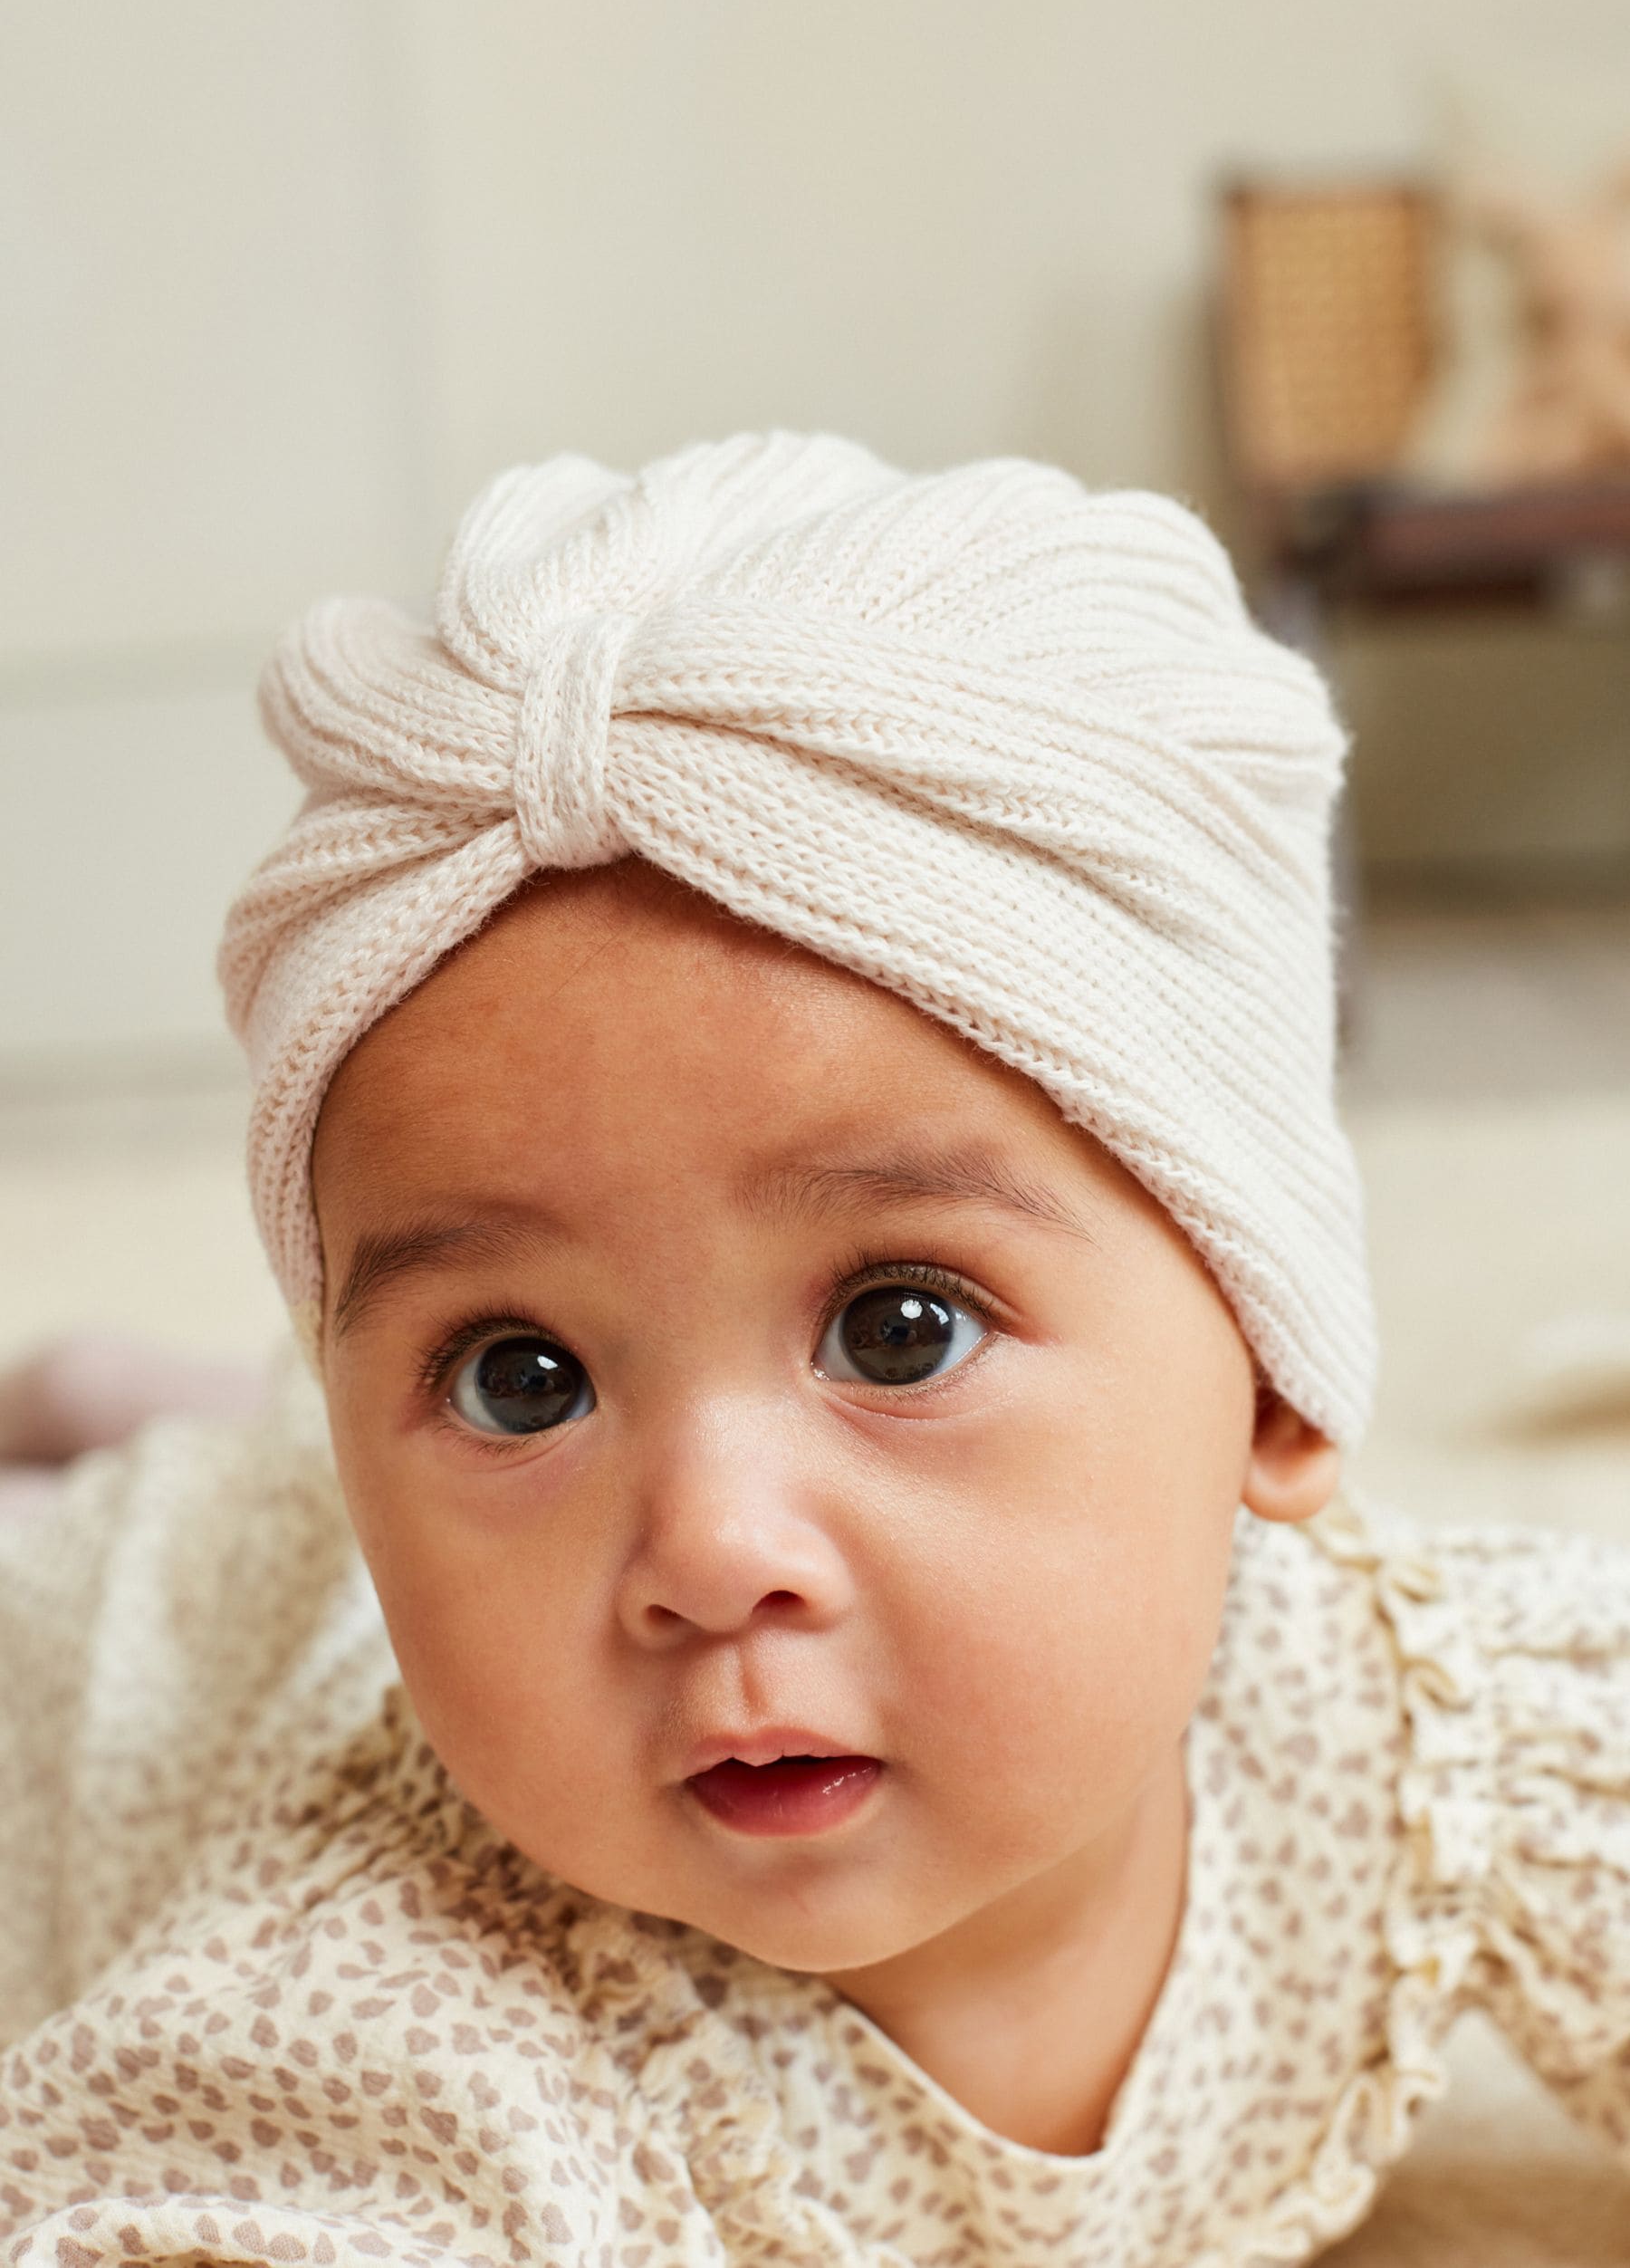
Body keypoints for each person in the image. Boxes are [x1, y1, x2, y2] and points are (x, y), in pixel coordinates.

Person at [2, 432, 1626, 2267]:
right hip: (150, 1628)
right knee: (162, 1531)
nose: (712, 1553)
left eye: (898, 1329)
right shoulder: (401, 2039)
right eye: (516, 1369)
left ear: (1274, 1364)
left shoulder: (1402, 1722)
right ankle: (148, 1431)